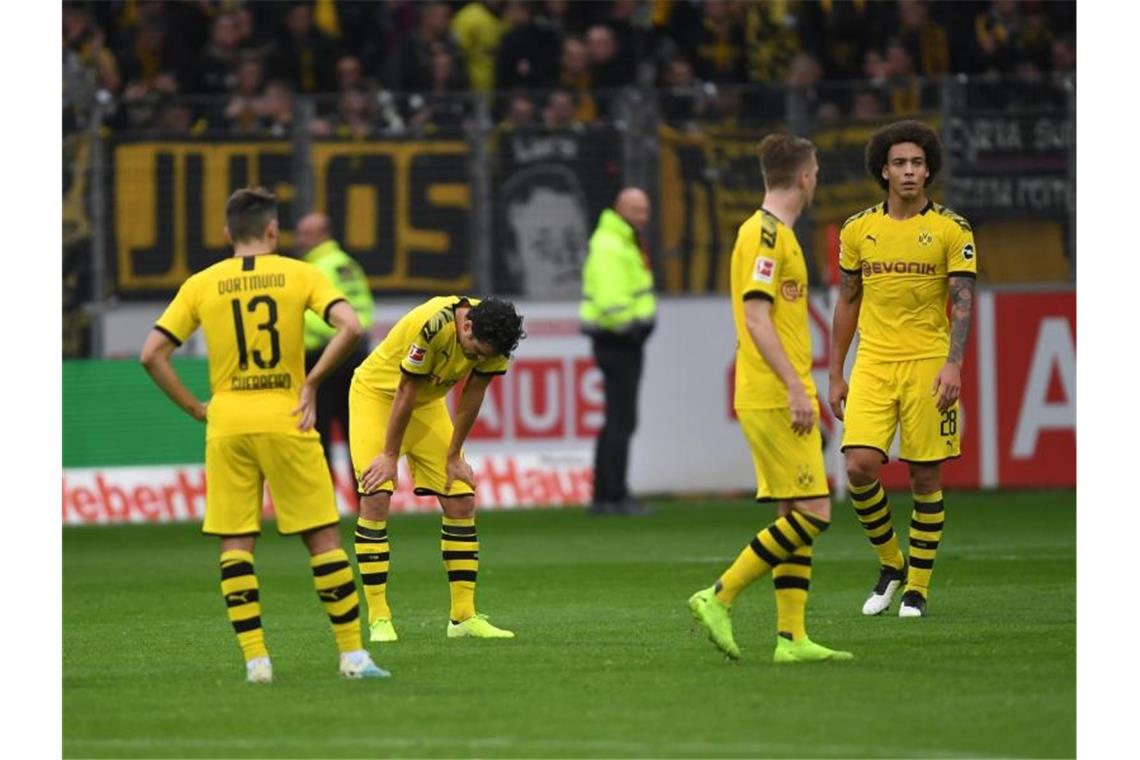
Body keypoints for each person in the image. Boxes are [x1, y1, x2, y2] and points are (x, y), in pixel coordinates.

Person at [139, 187, 389, 683]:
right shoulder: (301, 274)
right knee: (321, 536)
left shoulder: (202, 283)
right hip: (287, 416)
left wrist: (195, 407)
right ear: (273, 231)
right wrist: (312, 382)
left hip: (228, 422)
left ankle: (257, 663)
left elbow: (151, 354)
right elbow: (351, 325)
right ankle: (353, 657)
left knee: (236, 541)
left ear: (228, 233)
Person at [687, 135, 854, 665]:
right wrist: (792, 385)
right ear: (806, 176)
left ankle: (791, 639)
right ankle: (720, 595)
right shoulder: (765, 236)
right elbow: (757, 317)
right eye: (817, 171)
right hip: (773, 391)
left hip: (772, 389)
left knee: (792, 510)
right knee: (816, 511)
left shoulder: (773, 233)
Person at [828, 120, 977, 618]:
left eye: (917, 162)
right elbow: (848, 299)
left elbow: (962, 300)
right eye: (899, 163)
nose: (909, 171)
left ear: (928, 168)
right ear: (883, 171)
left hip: (929, 363)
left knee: (924, 476)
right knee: (858, 467)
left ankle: (917, 588)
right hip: (873, 361)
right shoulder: (858, 230)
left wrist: (954, 364)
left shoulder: (951, 229)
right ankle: (891, 562)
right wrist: (835, 372)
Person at [349, 296, 526, 643]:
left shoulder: (495, 338)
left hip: (427, 405)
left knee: (461, 498)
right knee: (376, 494)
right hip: (379, 397)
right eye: (475, 350)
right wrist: (388, 454)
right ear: (467, 326)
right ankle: (379, 617)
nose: (478, 358)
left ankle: (463, 617)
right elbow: (404, 390)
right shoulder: (433, 325)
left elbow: (473, 393)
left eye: (485, 355)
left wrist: (454, 454)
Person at [578, 188, 656, 517]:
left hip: (618, 340)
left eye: (645, 210)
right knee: (621, 420)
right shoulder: (612, 244)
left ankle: (605, 495)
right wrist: (633, 327)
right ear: (621, 209)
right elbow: (612, 302)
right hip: (619, 340)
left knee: (617, 419)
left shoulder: (617, 239)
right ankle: (614, 494)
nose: (643, 216)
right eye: (637, 210)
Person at [297, 212, 375, 492]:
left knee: (318, 436)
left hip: (324, 358)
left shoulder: (315, 269)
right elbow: (363, 311)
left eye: (306, 233)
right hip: (355, 355)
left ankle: (323, 501)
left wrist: (297, 323)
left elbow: (317, 317)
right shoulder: (347, 265)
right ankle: (367, 501)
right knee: (356, 432)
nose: (300, 239)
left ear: (322, 234)